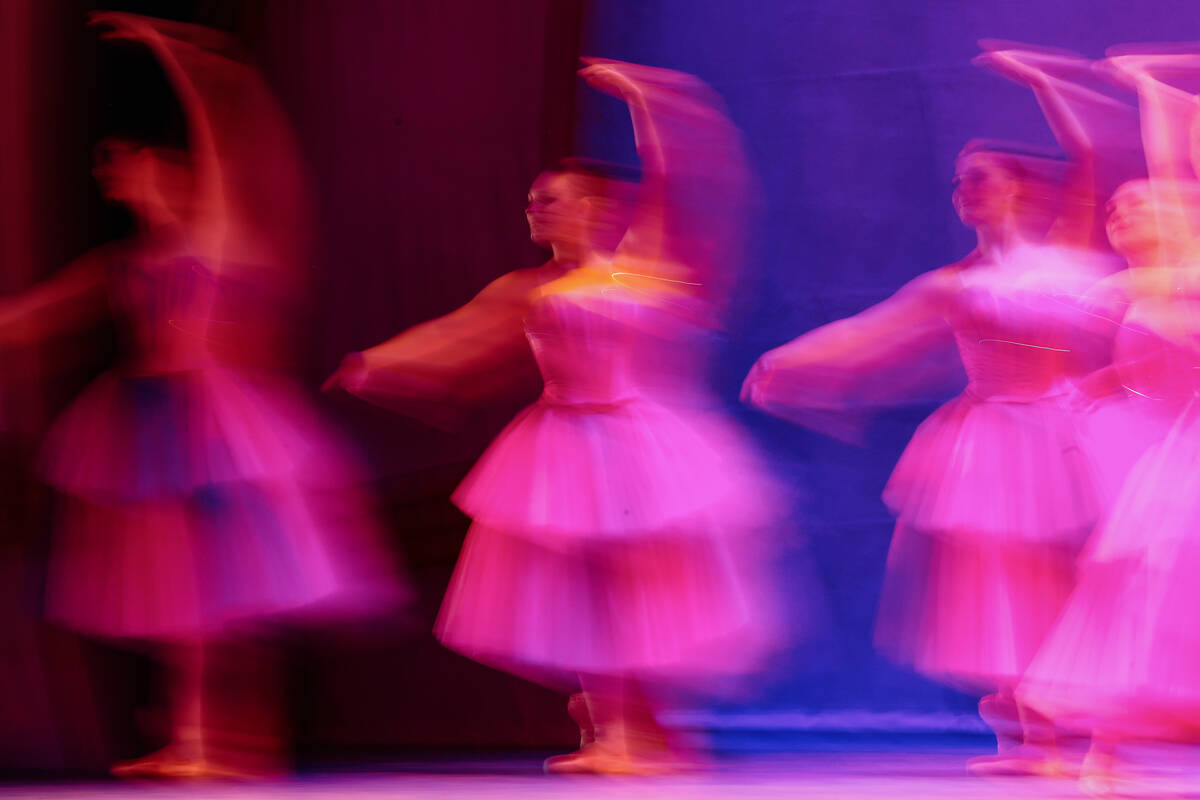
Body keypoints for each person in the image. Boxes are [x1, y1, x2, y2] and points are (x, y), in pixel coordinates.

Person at [327, 59, 776, 774]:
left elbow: (681, 181)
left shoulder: (640, 263)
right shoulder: (527, 288)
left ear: (594, 207)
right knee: (583, 585)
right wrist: (378, 362)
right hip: (563, 440)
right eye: (533, 201)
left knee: (635, 580)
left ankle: (641, 729)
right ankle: (614, 728)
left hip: (639, 440)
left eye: (552, 199)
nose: (536, 210)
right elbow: (457, 334)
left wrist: (645, 104)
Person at [0, 12, 396, 777]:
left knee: (226, 594)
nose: (110, 178)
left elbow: (227, 151)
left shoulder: (219, 235)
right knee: (180, 592)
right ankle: (193, 738)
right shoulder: (130, 260)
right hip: (150, 425)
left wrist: (182, 63)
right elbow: (41, 316)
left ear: (162, 167)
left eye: (122, 165)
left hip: (220, 426)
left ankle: (238, 737)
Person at [743, 48, 1117, 774]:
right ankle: (1026, 731)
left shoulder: (1062, 255)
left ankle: (1071, 724)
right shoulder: (953, 281)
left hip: (1059, 432)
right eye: (959, 183)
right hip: (989, 439)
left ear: (1020, 191)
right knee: (1001, 584)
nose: (966, 191)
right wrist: (789, 361)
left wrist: (1044, 83)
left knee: (1063, 576)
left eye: (981, 179)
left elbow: (1089, 149)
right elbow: (873, 332)